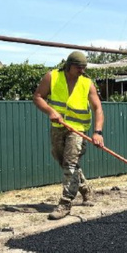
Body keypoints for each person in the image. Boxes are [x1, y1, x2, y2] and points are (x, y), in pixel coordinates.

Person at [33, 51, 105, 220]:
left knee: (70, 164)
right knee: (63, 161)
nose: (82, 71)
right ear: (69, 65)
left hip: (78, 130)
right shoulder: (52, 77)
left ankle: (65, 203)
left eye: (84, 67)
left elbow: (98, 109)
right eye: (79, 67)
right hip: (58, 127)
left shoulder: (87, 83)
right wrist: (50, 111)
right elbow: (37, 97)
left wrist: (97, 132)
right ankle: (85, 189)